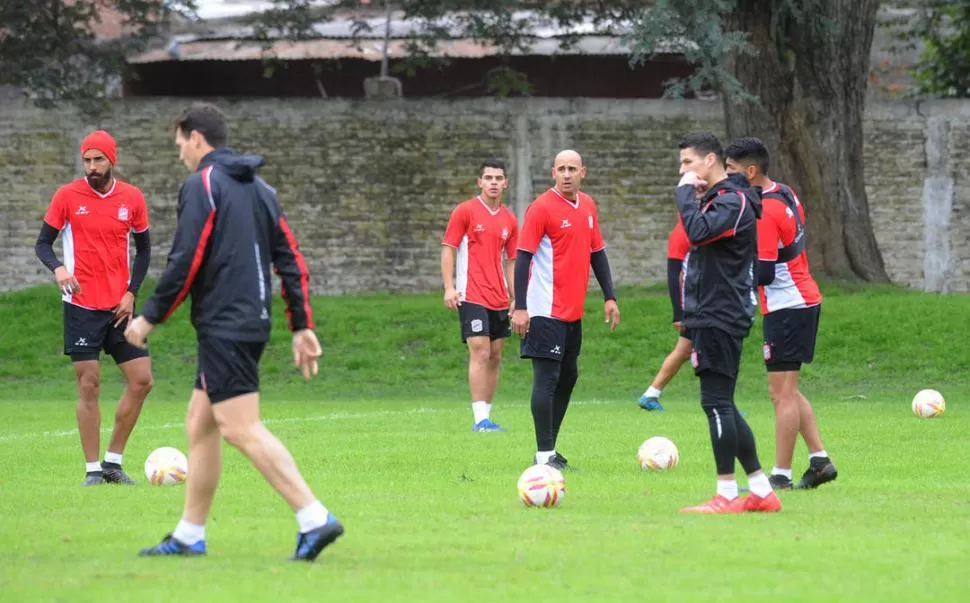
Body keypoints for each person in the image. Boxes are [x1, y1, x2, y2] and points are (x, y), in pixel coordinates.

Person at [125, 102, 342, 561]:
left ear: (196, 137)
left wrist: (149, 317)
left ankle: (314, 518)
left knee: (240, 428)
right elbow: (291, 259)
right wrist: (300, 324)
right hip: (246, 322)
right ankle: (189, 535)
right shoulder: (261, 189)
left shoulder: (202, 183)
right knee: (199, 423)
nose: (179, 152)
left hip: (227, 323)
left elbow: (187, 257)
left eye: (179, 142)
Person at [34, 129, 154, 487]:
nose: (91, 166)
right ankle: (92, 471)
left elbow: (145, 249)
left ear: (111, 160)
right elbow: (43, 243)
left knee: (142, 380)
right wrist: (58, 268)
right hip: (81, 304)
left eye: (98, 159)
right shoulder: (67, 196)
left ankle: (113, 462)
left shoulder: (131, 198)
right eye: (87, 160)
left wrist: (132, 291)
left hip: (121, 307)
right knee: (89, 385)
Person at [674, 132, 781, 514]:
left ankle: (726, 494)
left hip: (721, 313)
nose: (682, 171)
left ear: (710, 161)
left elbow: (697, 234)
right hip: (709, 312)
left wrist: (684, 193)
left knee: (716, 402)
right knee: (725, 404)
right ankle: (762, 492)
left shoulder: (734, 201)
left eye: (687, 163)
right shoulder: (720, 200)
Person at [724, 137, 837, 491]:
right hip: (801, 300)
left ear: (750, 171)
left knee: (781, 394)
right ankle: (819, 461)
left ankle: (781, 476)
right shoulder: (785, 192)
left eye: (731, 171)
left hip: (789, 306)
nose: (726, 178)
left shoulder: (764, 213)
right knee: (788, 389)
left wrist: (728, 273)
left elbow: (766, 272)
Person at [510, 149, 620, 471]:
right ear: (553, 172)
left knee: (569, 376)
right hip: (545, 309)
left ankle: (549, 449)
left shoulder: (587, 205)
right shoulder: (541, 209)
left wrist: (609, 296)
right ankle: (545, 456)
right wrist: (520, 307)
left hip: (573, 311)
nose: (567, 174)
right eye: (562, 169)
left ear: (583, 171)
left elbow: (597, 253)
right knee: (546, 379)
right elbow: (523, 256)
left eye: (573, 168)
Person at [440, 159, 518, 432]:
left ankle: (487, 416)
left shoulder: (509, 219)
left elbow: (511, 260)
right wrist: (449, 287)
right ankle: (479, 419)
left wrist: (516, 296)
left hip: (499, 297)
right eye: (489, 177)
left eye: (499, 178)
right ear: (480, 182)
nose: (494, 182)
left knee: (496, 355)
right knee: (481, 352)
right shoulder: (465, 211)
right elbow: (449, 248)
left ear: (506, 183)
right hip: (471, 295)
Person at [638, 217, 692, 412]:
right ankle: (723, 403)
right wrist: (678, 313)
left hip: (707, 303)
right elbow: (673, 274)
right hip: (695, 305)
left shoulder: (707, 224)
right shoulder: (682, 232)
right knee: (706, 349)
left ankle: (651, 394)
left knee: (686, 349)